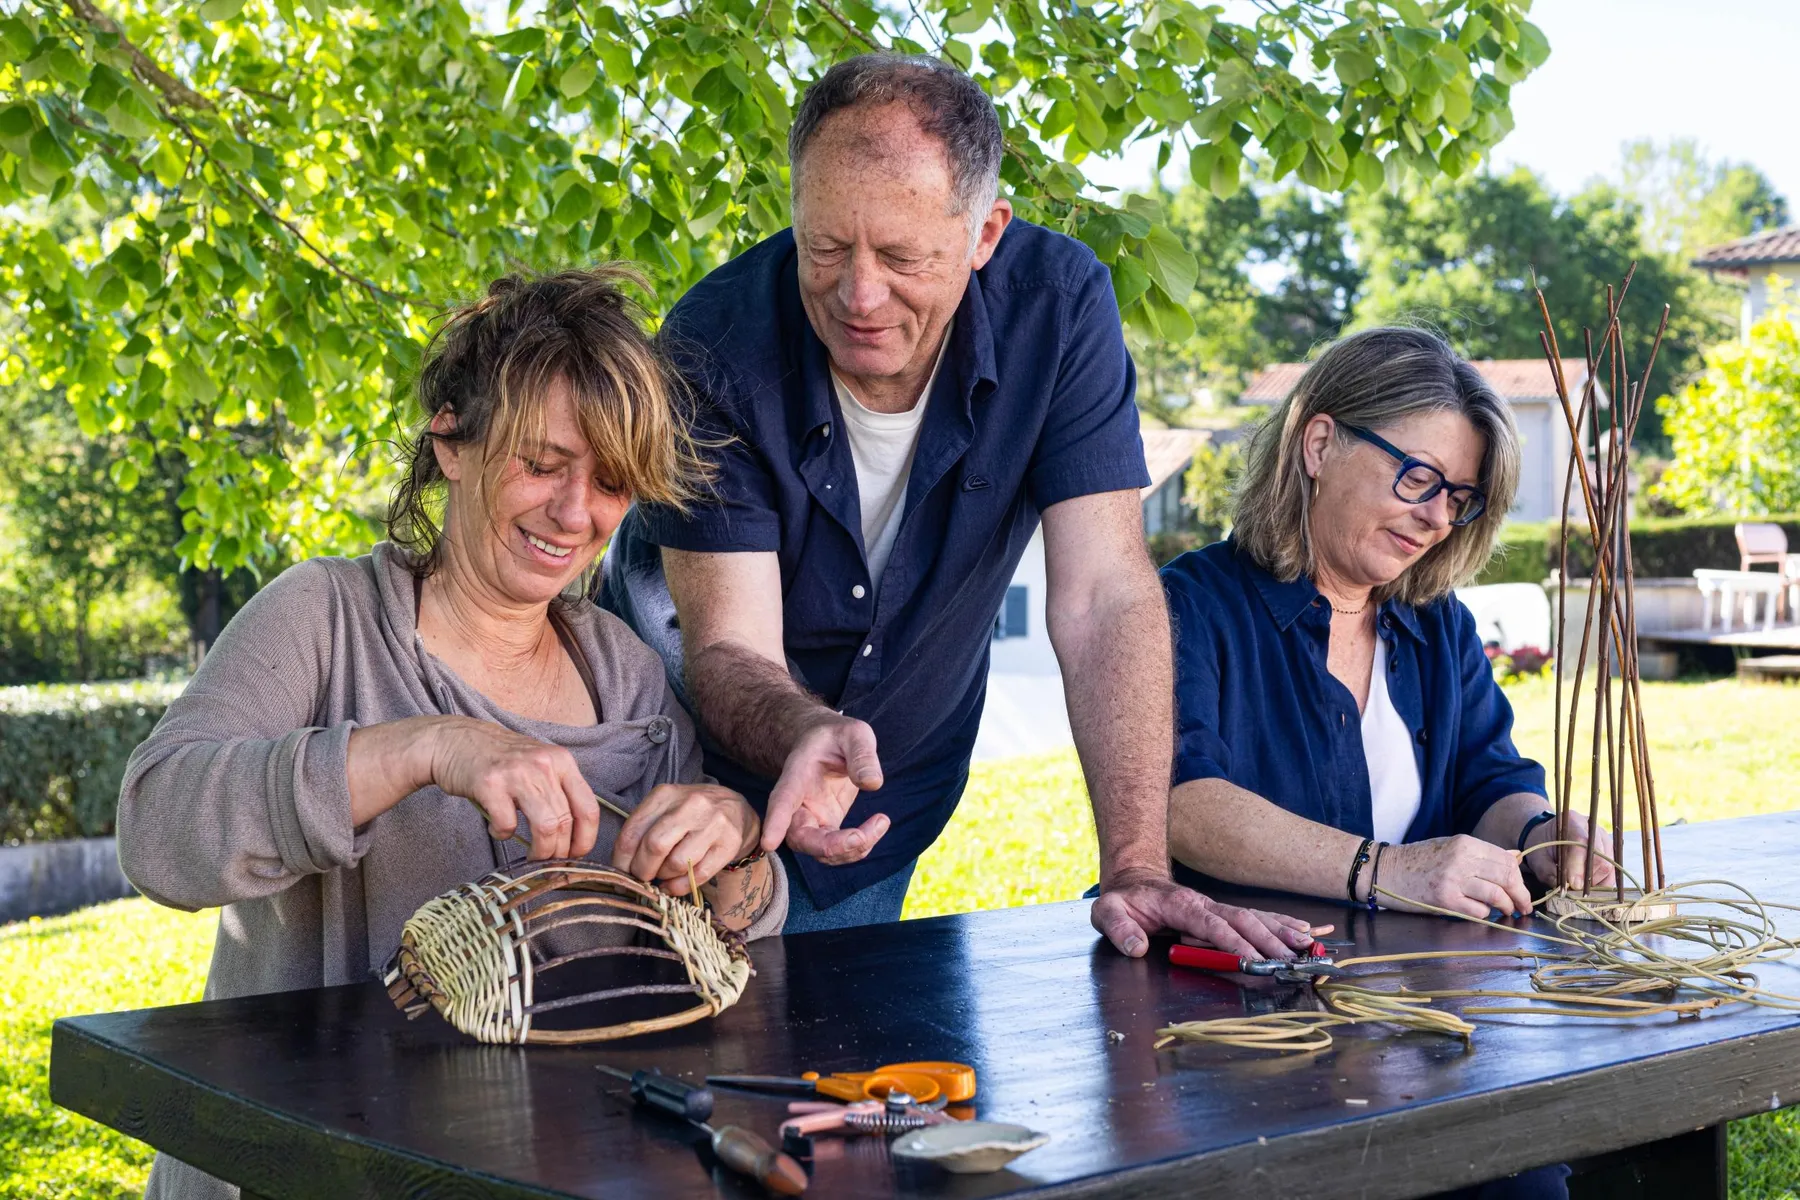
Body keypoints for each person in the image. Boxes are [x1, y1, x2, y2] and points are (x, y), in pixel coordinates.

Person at [598, 53, 1313, 958]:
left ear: (985, 234)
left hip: (891, 795)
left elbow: (1104, 599)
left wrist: (1137, 865)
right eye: (824, 246)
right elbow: (728, 646)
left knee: (859, 1069)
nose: (859, 295)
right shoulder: (711, 341)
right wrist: (809, 729)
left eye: (903, 256)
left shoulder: (1058, 310)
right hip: (676, 770)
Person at [117, 269, 787, 1200]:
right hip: (297, 1170)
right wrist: (425, 748)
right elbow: (156, 831)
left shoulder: (624, 671)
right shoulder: (325, 618)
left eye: (612, 483)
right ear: (452, 441)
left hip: (520, 1166)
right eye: (543, 463)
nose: (575, 513)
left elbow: (732, 926)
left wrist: (732, 844)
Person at [1164, 326, 1614, 924]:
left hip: (1409, 991)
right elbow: (1178, 805)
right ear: (1319, 445)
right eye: (1419, 477)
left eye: (1458, 499)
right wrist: (1386, 871)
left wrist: (1540, 834)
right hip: (1220, 992)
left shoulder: (1439, 623)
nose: (1436, 519)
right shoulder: (1188, 604)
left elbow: (1488, 779)